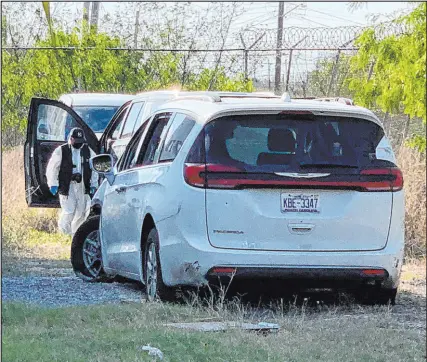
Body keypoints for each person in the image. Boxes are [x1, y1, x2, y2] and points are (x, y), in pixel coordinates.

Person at [46, 127, 98, 236]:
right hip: (67, 185)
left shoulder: (87, 150)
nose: (79, 144)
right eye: (76, 141)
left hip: (82, 186)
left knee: (82, 211)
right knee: (69, 211)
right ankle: (64, 234)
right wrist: (53, 184)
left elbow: (94, 168)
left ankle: (76, 234)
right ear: (71, 139)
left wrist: (93, 184)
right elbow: (52, 168)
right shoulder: (62, 150)